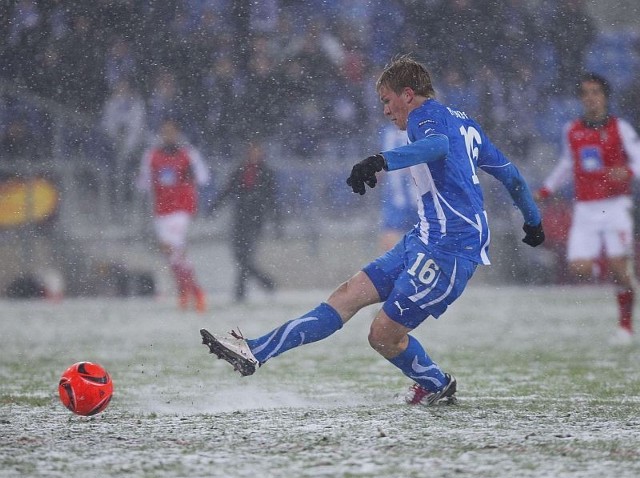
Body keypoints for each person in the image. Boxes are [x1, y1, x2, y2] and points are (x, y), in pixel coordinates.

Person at [200, 55, 544, 405]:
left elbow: (438, 146)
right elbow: (512, 177)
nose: (384, 110)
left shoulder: (426, 118)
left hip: (451, 248)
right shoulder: (464, 122)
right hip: (424, 237)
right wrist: (533, 221)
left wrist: (382, 160)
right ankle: (254, 350)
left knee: (382, 335)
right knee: (347, 294)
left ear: (407, 94)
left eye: (386, 100)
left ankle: (436, 384)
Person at [537, 73, 640, 345]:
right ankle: (613, 268)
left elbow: (638, 161)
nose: (591, 98)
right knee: (579, 269)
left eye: (595, 92)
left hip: (616, 205)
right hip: (585, 208)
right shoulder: (572, 130)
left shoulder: (621, 128)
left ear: (605, 97)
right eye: (585, 93)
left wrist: (627, 171)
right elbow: (567, 165)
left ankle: (625, 327)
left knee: (619, 268)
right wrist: (546, 189)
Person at [137, 119, 210, 312]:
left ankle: (196, 292)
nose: (168, 136)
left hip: (181, 208)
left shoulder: (188, 154)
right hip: (161, 209)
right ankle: (186, 290)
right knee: (172, 255)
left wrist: (188, 181)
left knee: (174, 248)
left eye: (171, 132)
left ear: (177, 133)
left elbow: (203, 177)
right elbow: (143, 182)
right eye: (164, 132)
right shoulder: (151, 155)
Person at [212, 140, 280, 302]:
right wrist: (215, 206)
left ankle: (240, 291)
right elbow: (228, 190)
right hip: (240, 217)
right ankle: (265, 281)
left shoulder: (266, 172)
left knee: (245, 256)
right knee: (239, 256)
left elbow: (273, 199)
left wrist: (277, 221)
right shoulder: (240, 170)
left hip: (256, 218)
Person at [378, 124, 417, 251]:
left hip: (416, 196)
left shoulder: (419, 131)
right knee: (391, 232)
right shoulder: (386, 133)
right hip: (396, 196)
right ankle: (398, 267)